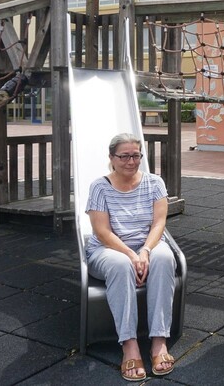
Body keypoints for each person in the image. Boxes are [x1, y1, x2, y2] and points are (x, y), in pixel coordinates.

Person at [85, 133, 177, 381]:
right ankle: (129, 343)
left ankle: (159, 340)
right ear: (111, 158)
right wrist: (129, 254)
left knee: (165, 258)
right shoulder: (99, 186)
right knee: (120, 265)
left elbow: (159, 223)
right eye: (124, 156)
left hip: (146, 244)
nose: (130, 161)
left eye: (136, 155)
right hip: (110, 249)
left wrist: (145, 251)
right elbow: (102, 231)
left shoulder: (154, 183)